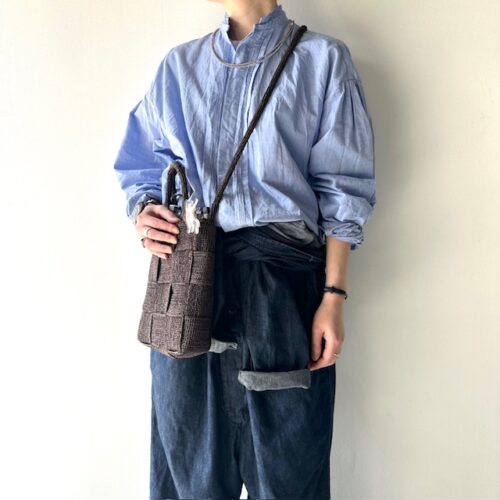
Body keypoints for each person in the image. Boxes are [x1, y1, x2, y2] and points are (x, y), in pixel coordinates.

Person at [113, 1, 376, 498]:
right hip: (187, 288)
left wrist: (334, 294)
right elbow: (141, 162)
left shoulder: (323, 60)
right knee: (188, 476)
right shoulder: (180, 66)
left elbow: (344, 186)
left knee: (288, 478)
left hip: (282, 290)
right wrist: (144, 209)